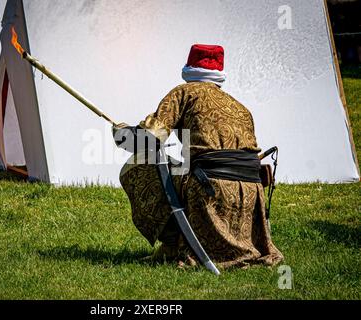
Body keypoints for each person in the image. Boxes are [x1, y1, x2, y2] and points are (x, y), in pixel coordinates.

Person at [114, 44, 283, 269]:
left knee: (139, 165)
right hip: (251, 193)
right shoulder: (241, 108)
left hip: (211, 187)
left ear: (189, 69)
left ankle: (174, 244)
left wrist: (121, 134)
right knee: (181, 167)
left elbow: (148, 140)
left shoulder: (185, 92)